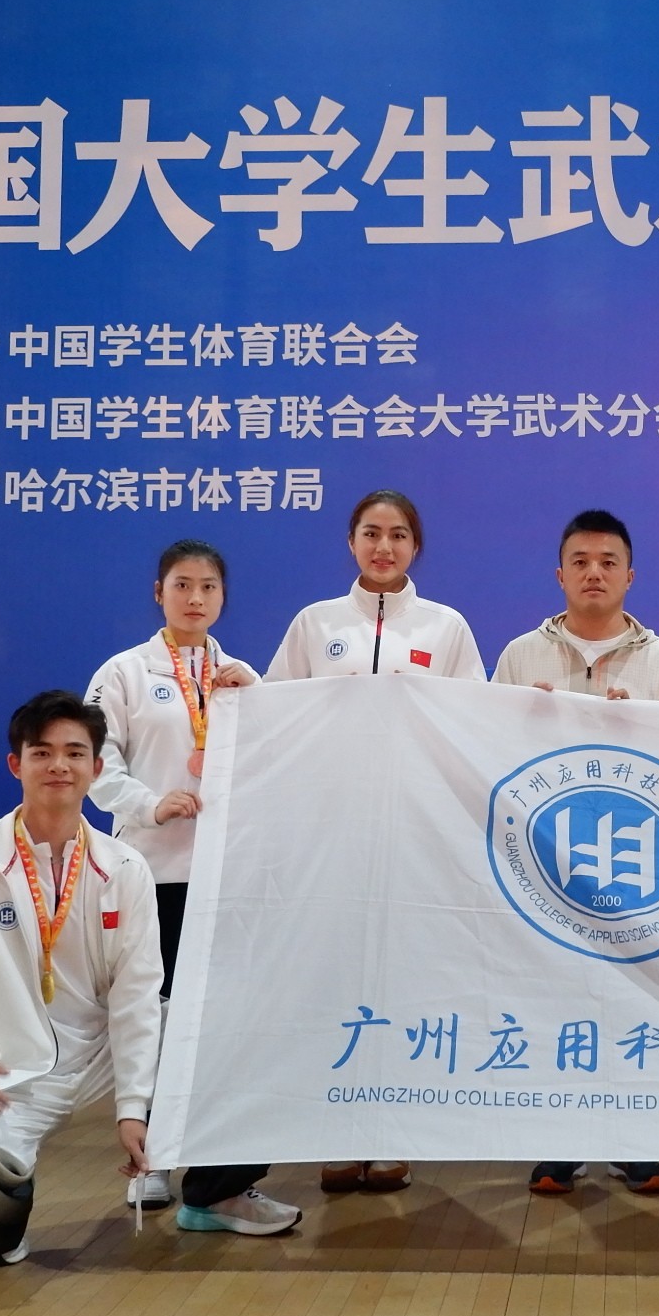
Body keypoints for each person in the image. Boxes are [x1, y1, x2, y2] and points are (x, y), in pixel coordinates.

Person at [0, 691, 300, 1268]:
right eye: (42, 753)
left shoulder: (126, 867)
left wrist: (134, 1106)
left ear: (96, 767)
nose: (59, 765)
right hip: (11, 1070)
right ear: (16, 764)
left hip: (104, 1050)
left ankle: (216, 1193)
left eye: (74, 753)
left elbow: (136, 992)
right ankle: (4, 1217)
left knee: (237, 1036)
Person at [269, 488, 484, 1194]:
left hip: (415, 834)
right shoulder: (315, 623)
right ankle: (337, 1129)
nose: (383, 546)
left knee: (403, 980)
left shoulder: (446, 627)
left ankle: (391, 1130)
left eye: (397, 534)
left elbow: (474, 723)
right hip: (329, 835)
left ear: (416, 545)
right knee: (333, 978)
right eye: (370, 533)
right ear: (351, 542)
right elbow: (275, 715)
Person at [492, 508, 659, 1197]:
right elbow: (485, 753)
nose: (594, 573)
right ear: (560, 575)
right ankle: (558, 1141)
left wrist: (641, 728)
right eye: (580, 561)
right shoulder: (520, 657)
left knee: (634, 998)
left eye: (609, 562)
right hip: (543, 860)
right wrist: (526, 723)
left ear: (630, 576)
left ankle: (635, 1140)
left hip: (634, 861)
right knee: (552, 995)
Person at [85, 538, 276, 1223]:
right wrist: (149, 804)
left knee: (219, 1021)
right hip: (151, 872)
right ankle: (152, 1159)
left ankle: (211, 1163)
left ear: (223, 597)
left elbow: (277, 760)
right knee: (154, 1018)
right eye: (182, 585)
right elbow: (97, 762)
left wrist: (255, 705)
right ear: (158, 592)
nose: (196, 598)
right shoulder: (125, 673)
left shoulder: (242, 676)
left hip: (226, 875)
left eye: (209, 587)